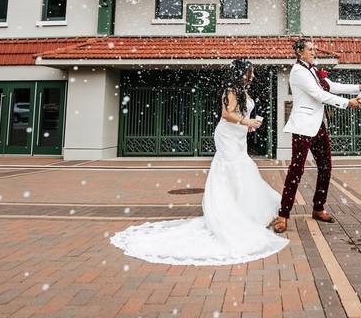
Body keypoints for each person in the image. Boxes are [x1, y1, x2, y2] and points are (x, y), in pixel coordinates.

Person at [109, 59, 288, 265]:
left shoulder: (242, 90)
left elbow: (239, 113)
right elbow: (226, 114)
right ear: (242, 73)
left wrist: (247, 125)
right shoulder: (231, 89)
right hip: (227, 136)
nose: (254, 76)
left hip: (238, 137)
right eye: (251, 72)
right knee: (234, 170)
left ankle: (243, 208)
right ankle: (232, 212)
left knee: (241, 169)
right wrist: (246, 121)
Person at [272, 38, 361, 234]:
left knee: (326, 166)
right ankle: (283, 215)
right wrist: (347, 103)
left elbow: (331, 86)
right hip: (303, 127)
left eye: (314, 49)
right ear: (300, 52)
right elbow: (319, 95)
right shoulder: (299, 71)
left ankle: (318, 207)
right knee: (296, 171)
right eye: (310, 49)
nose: (314, 52)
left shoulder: (314, 70)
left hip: (319, 126)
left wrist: (358, 87)